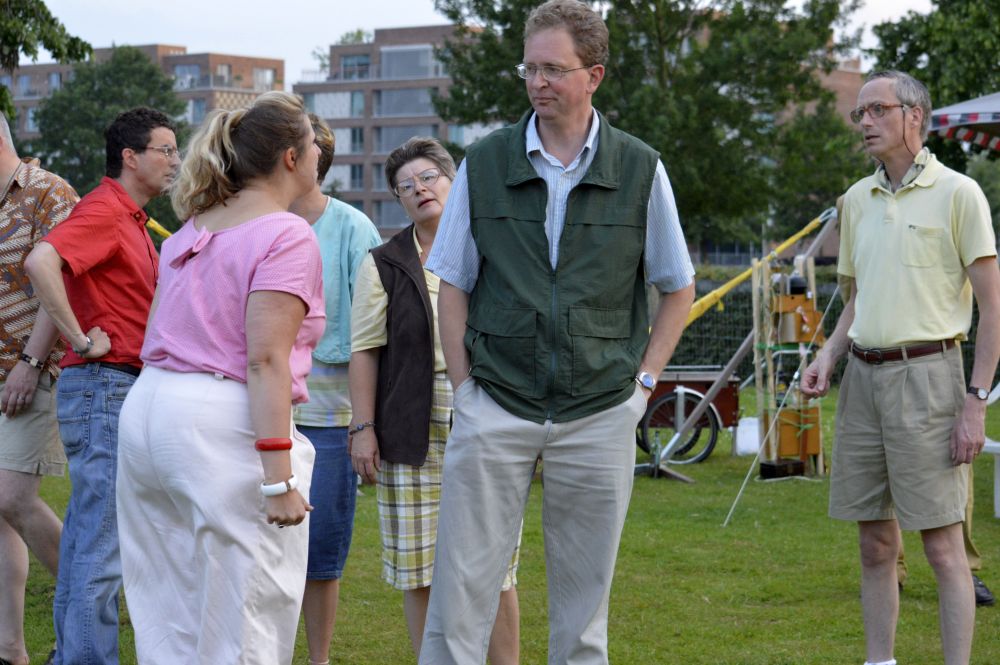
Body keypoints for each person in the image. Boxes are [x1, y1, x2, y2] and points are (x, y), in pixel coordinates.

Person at [419, 0, 696, 662]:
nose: (538, 82)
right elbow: (452, 283)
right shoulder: (483, 163)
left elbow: (677, 285)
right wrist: (467, 391)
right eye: (530, 67)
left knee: (583, 611)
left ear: (594, 74)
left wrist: (643, 385)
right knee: (459, 599)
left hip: (599, 409)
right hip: (496, 404)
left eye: (553, 69)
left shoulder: (639, 168)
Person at [115, 91, 324, 663]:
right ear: (289, 157)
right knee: (248, 607)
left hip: (150, 410)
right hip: (218, 420)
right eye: (313, 145)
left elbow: (161, 329)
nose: (318, 156)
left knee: (167, 601)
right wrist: (279, 477)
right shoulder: (285, 233)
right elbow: (265, 359)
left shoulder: (191, 229)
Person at [802, 70, 1000, 665]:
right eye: (858, 114)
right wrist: (829, 352)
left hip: (931, 380)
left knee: (943, 549)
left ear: (915, 116)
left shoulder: (960, 193)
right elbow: (859, 300)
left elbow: (993, 309)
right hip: (861, 381)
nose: (863, 122)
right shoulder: (856, 201)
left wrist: (975, 402)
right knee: (874, 543)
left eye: (875, 110)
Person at [348, 137, 521, 663]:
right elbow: (365, 349)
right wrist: (363, 428)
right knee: (418, 565)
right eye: (406, 185)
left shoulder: (495, 249)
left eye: (429, 178)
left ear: (453, 182)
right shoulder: (384, 263)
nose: (420, 189)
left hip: (489, 412)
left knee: (495, 564)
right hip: (409, 424)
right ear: (398, 201)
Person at [24, 106, 179, 665]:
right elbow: (41, 261)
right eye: (166, 149)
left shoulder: (132, 219)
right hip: (103, 386)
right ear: (131, 157)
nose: (175, 161)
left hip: (113, 390)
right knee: (99, 545)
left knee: (93, 541)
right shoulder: (106, 210)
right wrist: (78, 338)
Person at [289, 113, 381, 665]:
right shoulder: (255, 222)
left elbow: (372, 327)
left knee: (321, 556)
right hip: (263, 416)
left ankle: (318, 659)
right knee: (261, 549)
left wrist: (363, 422)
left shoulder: (352, 227)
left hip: (330, 419)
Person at [0, 113, 77, 665]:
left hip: (31, 372)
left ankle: (86, 610)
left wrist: (30, 361)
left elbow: (63, 279)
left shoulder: (49, 191)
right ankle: (10, 647)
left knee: (13, 498)